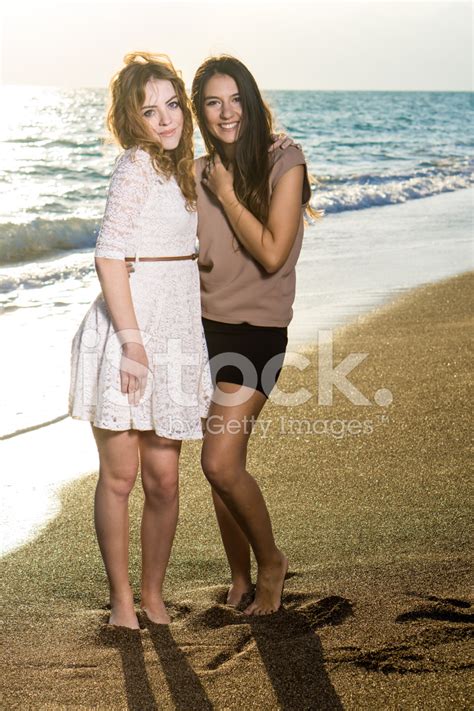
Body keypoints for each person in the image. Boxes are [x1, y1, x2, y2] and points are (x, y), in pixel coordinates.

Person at [68, 52, 212, 629]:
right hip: (133, 337)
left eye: (172, 104)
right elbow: (108, 253)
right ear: (133, 120)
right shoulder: (135, 166)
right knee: (121, 476)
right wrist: (132, 344)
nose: (167, 119)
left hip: (174, 331)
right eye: (150, 112)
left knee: (165, 478)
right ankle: (123, 602)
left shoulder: (182, 171)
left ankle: (154, 596)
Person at [191, 55, 321, 615]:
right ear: (200, 111)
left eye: (235, 98)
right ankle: (240, 580)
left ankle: (271, 563)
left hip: (258, 332)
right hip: (199, 330)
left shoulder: (283, 161)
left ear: (251, 99)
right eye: (212, 102)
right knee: (228, 465)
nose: (226, 113)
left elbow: (271, 253)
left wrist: (225, 194)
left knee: (218, 462)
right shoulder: (194, 171)